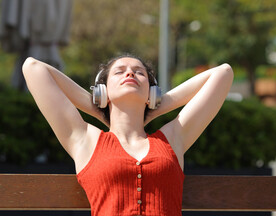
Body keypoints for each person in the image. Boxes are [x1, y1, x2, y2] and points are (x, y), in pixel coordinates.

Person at [22, 53, 234, 216]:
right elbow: (33, 68)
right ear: (103, 90)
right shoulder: (86, 140)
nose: (130, 74)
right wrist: (97, 106)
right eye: (119, 71)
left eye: (139, 72)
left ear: (151, 92)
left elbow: (223, 73)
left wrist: (156, 106)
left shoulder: (172, 138)